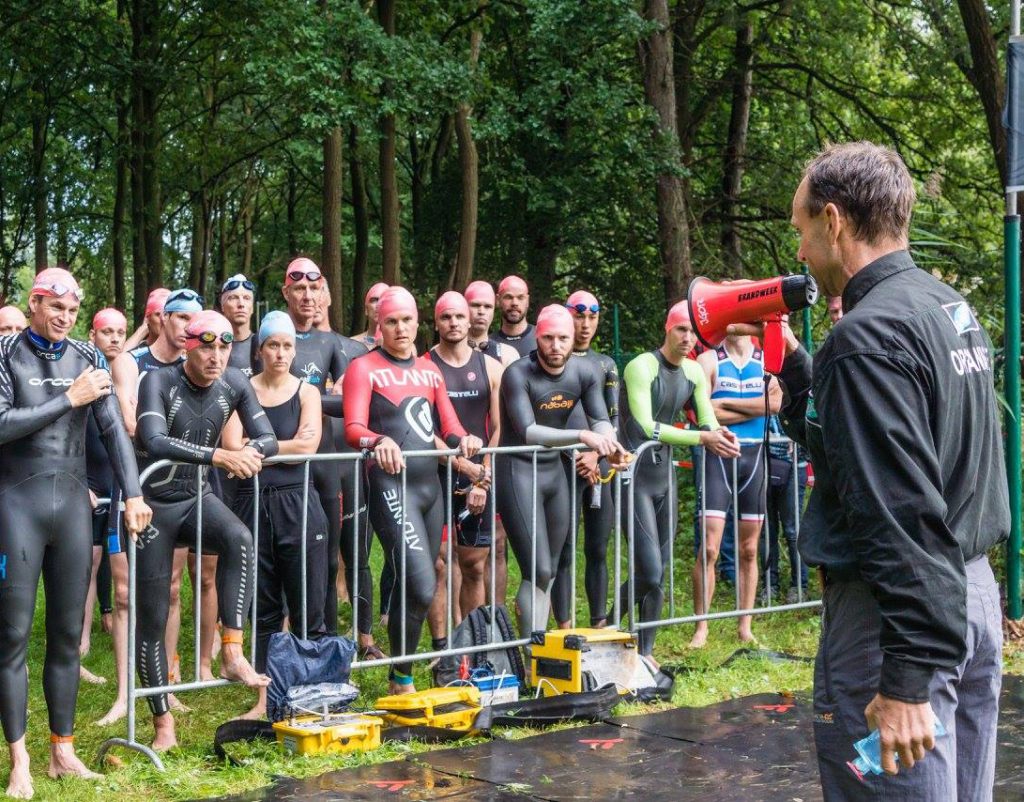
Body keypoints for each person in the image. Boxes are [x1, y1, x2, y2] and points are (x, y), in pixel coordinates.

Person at [761, 142, 1007, 798]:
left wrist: (903, 683)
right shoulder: (947, 310)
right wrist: (800, 374)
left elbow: (900, 517)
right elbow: (891, 459)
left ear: (833, 220)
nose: (800, 250)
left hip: (893, 618)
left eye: (800, 229)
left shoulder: (865, 338)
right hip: (969, 599)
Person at [0, 268, 151, 798]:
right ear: (35, 303)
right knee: (13, 637)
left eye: (72, 309)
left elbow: (112, 429)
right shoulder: (6, 354)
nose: (64, 317)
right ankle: (19, 759)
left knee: (67, 636)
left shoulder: (87, 360)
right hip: (14, 507)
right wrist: (69, 399)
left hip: (71, 511)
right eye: (55, 307)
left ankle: (62, 751)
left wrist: (133, 492)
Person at [135, 310, 276, 750]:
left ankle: (232, 651)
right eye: (206, 346)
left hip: (196, 499)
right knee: (152, 620)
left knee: (239, 539)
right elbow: (153, 441)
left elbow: (268, 436)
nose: (216, 356)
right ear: (187, 346)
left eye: (224, 346)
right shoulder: (158, 381)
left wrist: (251, 450)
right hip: (154, 507)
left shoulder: (235, 382)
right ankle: (163, 726)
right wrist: (220, 456)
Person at [343, 287, 481, 694]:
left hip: (430, 488)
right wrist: (377, 442)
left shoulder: (428, 370)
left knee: (423, 578)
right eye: (391, 321)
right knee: (420, 583)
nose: (400, 328)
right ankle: (402, 672)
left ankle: (401, 676)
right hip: (391, 486)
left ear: (417, 322)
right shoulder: (363, 368)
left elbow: (449, 426)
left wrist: (465, 441)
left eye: (406, 320)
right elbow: (353, 429)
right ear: (379, 325)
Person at [614, 301, 740, 659]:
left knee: (659, 569)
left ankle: (646, 653)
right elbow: (643, 426)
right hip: (633, 475)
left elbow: (706, 419)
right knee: (650, 571)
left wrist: (720, 433)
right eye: (681, 330)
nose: (688, 339)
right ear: (667, 330)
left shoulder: (694, 371)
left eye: (693, 333)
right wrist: (703, 439)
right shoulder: (642, 366)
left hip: (663, 477)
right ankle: (607, 623)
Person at [497, 304, 626, 637]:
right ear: (537, 337)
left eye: (563, 339)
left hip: (555, 473)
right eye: (549, 338)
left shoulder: (585, 371)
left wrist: (609, 443)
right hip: (518, 471)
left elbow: (600, 418)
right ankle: (528, 651)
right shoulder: (517, 374)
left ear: (572, 340)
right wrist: (582, 436)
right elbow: (528, 431)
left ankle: (537, 644)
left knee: (550, 568)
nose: (556, 346)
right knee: (537, 568)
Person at [224, 311, 329, 720]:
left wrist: (258, 448)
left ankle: (312, 692)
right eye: (273, 345)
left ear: (294, 350)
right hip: (253, 502)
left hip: (299, 502)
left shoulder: (307, 392)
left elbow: (309, 445)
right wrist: (272, 446)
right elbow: (232, 444)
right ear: (260, 349)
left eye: (287, 345)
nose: (281, 353)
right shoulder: (240, 388)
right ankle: (267, 699)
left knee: (308, 603)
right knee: (264, 606)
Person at [103, 288, 199, 724]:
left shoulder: (195, 365)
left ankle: (165, 681)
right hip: (132, 482)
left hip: (176, 486)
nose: (187, 329)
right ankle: (125, 693)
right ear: (161, 319)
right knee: (125, 593)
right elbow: (129, 422)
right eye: (179, 319)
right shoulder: (131, 360)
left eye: (194, 322)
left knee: (173, 588)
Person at [272, 258, 373, 653]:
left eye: (314, 289)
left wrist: (305, 398)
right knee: (281, 554)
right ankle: (282, 639)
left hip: (327, 461)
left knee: (330, 559)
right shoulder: (273, 336)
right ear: (286, 293)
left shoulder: (332, 343)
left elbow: (351, 403)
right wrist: (318, 394)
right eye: (299, 289)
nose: (308, 296)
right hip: (282, 465)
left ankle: (326, 638)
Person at [692, 332, 781, 647]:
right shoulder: (709, 360)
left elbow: (776, 404)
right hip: (718, 460)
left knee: (749, 550)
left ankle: (745, 627)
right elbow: (704, 411)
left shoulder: (767, 360)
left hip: (754, 459)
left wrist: (725, 402)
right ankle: (700, 628)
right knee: (710, 550)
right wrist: (755, 407)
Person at [427, 291, 506, 618]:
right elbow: (423, 431)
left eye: (459, 316)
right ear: (436, 322)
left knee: (474, 564)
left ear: (469, 319)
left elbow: (500, 428)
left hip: (481, 478)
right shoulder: (423, 367)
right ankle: (445, 648)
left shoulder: (491, 367)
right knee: (440, 562)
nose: (454, 322)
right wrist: (464, 467)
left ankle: (471, 644)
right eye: (446, 316)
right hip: (435, 476)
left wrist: (483, 479)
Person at [551, 290, 620, 629]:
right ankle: (564, 627)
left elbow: (613, 420)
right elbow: (546, 420)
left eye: (592, 317)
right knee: (563, 551)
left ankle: (598, 623)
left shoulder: (605, 364)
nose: (586, 324)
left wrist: (595, 453)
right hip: (561, 466)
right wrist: (576, 451)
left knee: (597, 547)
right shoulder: (552, 361)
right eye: (579, 316)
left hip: (598, 467)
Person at [79, 308, 130, 684]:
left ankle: (115, 623)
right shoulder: (80, 375)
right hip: (87, 481)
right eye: (107, 332)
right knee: (87, 562)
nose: (113, 338)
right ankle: (79, 644)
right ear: (93, 336)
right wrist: (78, 482)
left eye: (120, 332)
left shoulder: (130, 375)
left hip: (118, 480)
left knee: (115, 562)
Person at [759, 415, 808, 604]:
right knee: (766, 530)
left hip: (795, 466)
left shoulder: (797, 390)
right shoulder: (759, 392)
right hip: (763, 465)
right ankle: (770, 585)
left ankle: (799, 586)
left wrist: (797, 442)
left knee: (793, 529)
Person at [465, 280, 517, 366]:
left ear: (493, 310)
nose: (481, 311)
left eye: (487, 306)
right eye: (475, 305)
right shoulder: (442, 352)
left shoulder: (507, 355)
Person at [220, 274, 256, 376]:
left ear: (252, 307)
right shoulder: (213, 347)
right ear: (222, 306)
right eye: (233, 297)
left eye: (246, 298)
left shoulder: (263, 346)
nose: (241, 304)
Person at [493, 275, 536, 359]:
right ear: (498, 300)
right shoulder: (489, 344)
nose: (514, 303)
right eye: (508, 297)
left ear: (527, 301)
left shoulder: (542, 339)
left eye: (520, 297)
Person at [353, 282, 389, 349]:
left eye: (384, 300)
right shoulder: (351, 344)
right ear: (366, 309)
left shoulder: (404, 347)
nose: (379, 305)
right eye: (375, 300)